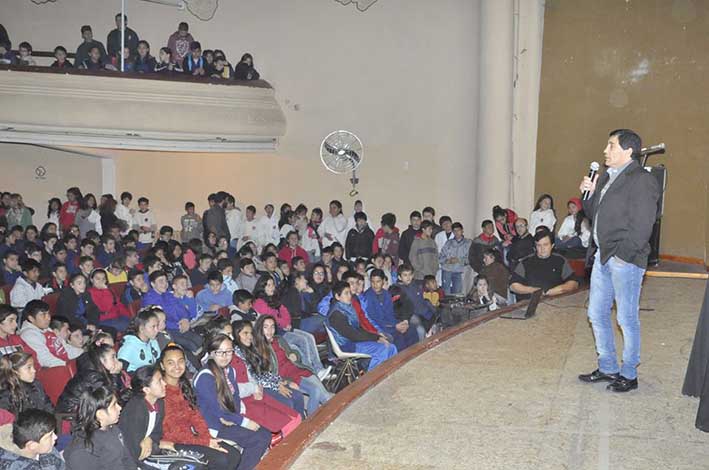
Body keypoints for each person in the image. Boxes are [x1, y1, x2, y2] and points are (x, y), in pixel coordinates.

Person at [578, 128, 660, 393]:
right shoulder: (605, 178)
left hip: (624, 259)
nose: (605, 150)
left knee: (626, 318)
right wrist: (587, 194)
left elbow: (642, 225)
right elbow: (592, 214)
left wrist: (623, 255)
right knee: (596, 313)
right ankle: (608, 366)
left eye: (611, 146)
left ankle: (628, 373)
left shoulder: (641, 180)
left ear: (627, 150)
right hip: (603, 256)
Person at [194, 334, 272, 470]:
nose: (225, 356)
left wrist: (236, 417)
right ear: (211, 353)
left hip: (228, 419)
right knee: (258, 439)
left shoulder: (230, 371)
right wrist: (243, 422)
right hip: (213, 424)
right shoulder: (205, 377)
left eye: (229, 351)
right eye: (220, 352)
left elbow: (235, 398)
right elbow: (217, 410)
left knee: (265, 434)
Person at [159, 345, 244, 469]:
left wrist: (207, 437)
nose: (177, 367)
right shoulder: (161, 392)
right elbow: (173, 432)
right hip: (174, 443)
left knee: (233, 455)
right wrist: (204, 442)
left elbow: (196, 416)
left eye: (181, 361)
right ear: (162, 366)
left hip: (192, 437)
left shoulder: (184, 385)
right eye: (171, 363)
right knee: (221, 459)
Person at [252, 316, 332, 416]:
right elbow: (266, 373)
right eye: (266, 327)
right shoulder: (258, 347)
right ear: (260, 328)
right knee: (315, 391)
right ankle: (311, 422)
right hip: (285, 376)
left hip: (296, 368)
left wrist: (294, 354)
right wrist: (288, 382)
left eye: (272, 327)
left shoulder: (279, 339)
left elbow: (292, 352)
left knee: (326, 398)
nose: (270, 330)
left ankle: (328, 416)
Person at [326, 281, 397, 371]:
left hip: (353, 342)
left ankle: (391, 373)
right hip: (346, 345)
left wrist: (377, 336)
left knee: (392, 347)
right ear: (337, 296)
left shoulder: (347, 308)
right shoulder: (336, 314)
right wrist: (376, 338)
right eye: (346, 293)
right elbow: (353, 335)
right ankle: (372, 379)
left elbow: (359, 329)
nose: (349, 296)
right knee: (383, 349)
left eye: (350, 293)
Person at [63, 384, 134, 469]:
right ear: (100, 414)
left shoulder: (114, 429)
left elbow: (127, 459)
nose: (119, 408)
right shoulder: (84, 448)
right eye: (114, 405)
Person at [509, 229, 579, 300]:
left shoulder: (560, 260)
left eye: (545, 245)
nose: (542, 249)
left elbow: (574, 283)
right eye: (539, 245)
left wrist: (554, 291)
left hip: (555, 300)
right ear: (535, 247)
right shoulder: (525, 262)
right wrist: (536, 291)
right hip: (529, 302)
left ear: (552, 246)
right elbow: (513, 286)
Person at [363, 269, 419, 351]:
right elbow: (373, 319)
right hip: (380, 327)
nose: (375, 285)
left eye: (378, 281)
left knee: (411, 329)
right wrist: (395, 327)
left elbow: (390, 314)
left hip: (391, 324)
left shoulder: (386, 294)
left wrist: (400, 324)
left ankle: (414, 354)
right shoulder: (368, 296)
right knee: (399, 338)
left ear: (383, 281)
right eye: (373, 282)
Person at [0, 351, 53, 416]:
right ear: (15, 371)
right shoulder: (6, 395)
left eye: (33, 366)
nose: (34, 370)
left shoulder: (37, 384)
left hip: (44, 423)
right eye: (29, 367)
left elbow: (48, 406)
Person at [117, 307, 161, 373]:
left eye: (157, 326)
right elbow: (120, 370)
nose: (157, 330)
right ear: (142, 329)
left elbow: (158, 361)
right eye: (153, 327)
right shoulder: (129, 346)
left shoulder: (153, 341)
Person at [439, 222, 471, 295]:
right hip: (447, 270)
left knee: (457, 293)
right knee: (446, 292)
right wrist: (447, 260)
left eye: (458, 230)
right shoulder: (448, 243)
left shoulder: (468, 243)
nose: (457, 232)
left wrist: (459, 260)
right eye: (454, 231)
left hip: (459, 271)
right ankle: (446, 306)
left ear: (462, 231)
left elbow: (470, 259)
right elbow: (440, 257)